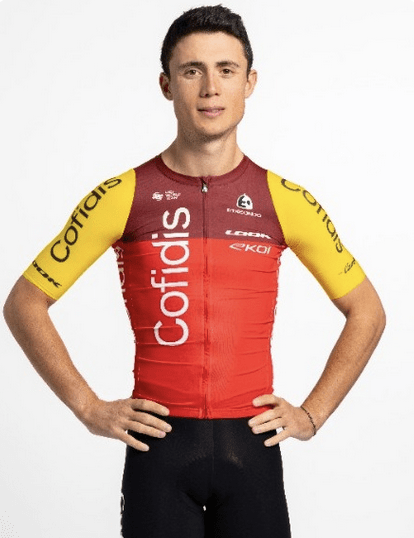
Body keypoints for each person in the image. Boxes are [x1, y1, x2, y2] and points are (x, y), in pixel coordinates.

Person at [3, 5, 386, 538]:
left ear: (249, 82)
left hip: (252, 448)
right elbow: (24, 302)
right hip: (159, 452)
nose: (210, 87)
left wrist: (312, 414)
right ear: (166, 85)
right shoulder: (121, 195)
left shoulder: (285, 199)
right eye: (191, 71)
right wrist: (88, 408)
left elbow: (367, 311)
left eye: (226, 70)